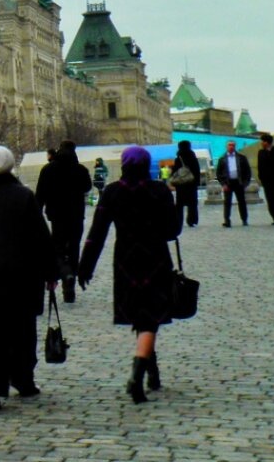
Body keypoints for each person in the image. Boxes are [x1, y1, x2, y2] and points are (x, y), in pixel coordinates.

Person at [78, 145, 184, 403]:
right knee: (149, 318)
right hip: (156, 259)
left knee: (141, 313)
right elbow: (172, 231)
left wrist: (85, 267)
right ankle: (137, 375)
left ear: (124, 164)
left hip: (125, 260)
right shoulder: (159, 190)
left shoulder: (113, 191)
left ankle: (152, 371)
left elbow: (97, 232)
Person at [0, 146, 56, 411]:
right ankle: (22, 379)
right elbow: (41, 238)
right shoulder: (24, 196)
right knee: (22, 328)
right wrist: (51, 272)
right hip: (22, 272)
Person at [35, 141, 92, 303]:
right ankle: (70, 285)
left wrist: (36, 214)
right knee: (74, 248)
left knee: (58, 249)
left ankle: (65, 272)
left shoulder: (48, 169)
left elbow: (40, 194)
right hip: (76, 215)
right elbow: (87, 187)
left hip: (56, 216)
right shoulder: (80, 169)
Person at [216, 139, 252, 227]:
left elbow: (248, 171)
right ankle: (227, 220)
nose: (231, 147)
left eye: (233, 145)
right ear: (226, 146)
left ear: (235, 146)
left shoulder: (241, 157)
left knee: (242, 202)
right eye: (229, 145)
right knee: (227, 202)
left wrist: (245, 183)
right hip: (228, 183)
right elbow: (218, 173)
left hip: (239, 182)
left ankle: (244, 219)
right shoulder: (222, 159)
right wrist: (223, 184)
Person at [256, 134, 274, 226]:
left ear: (267, 142)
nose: (261, 143)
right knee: (270, 199)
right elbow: (260, 166)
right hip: (266, 181)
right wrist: (261, 178)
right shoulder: (261, 152)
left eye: (263, 141)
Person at [171, 140, 200, 229]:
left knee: (179, 204)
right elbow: (197, 171)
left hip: (181, 185)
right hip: (191, 184)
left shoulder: (178, 158)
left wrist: (175, 184)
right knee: (192, 204)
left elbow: (175, 172)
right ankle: (192, 221)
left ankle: (179, 221)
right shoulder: (193, 157)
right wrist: (196, 183)